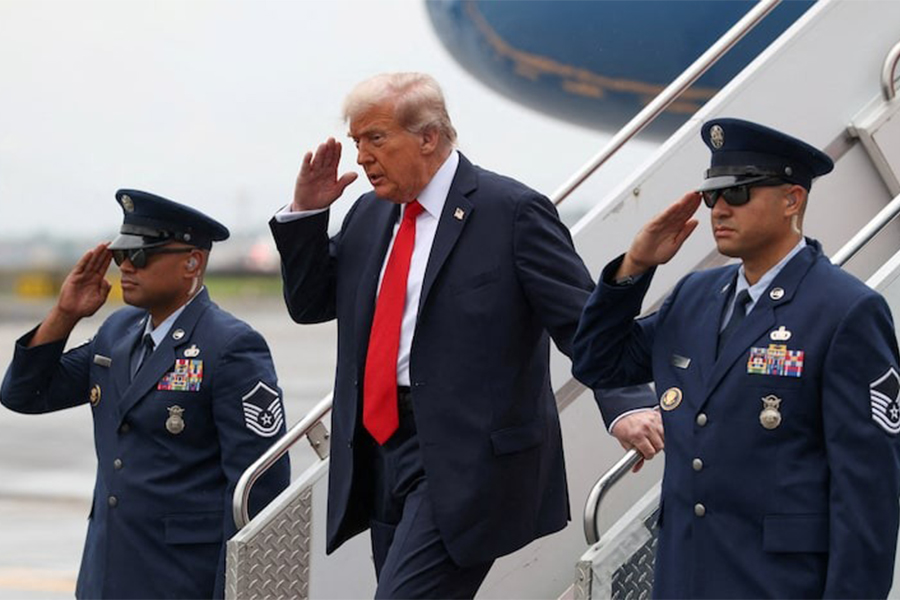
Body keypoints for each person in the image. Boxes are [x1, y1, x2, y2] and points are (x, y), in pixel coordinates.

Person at [269, 72, 661, 598]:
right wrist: (308, 214)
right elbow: (311, 303)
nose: (361, 157)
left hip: (466, 457)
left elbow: (581, 320)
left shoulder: (512, 212)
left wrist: (626, 403)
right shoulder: (368, 214)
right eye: (357, 141)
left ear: (428, 137)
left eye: (376, 138)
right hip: (380, 450)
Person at [572, 117, 900, 598]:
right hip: (685, 577)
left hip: (777, 585)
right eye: (712, 195)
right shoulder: (695, 296)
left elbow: (867, 495)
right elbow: (598, 363)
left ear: (792, 199)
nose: (720, 209)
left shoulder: (845, 311)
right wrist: (633, 268)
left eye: (739, 192)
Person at [1, 190, 290, 599]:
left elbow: (259, 487)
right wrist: (64, 314)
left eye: (141, 256)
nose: (126, 268)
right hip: (107, 572)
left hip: (181, 579)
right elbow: (23, 395)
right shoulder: (117, 333)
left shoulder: (229, 346)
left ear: (192, 261)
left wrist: (237, 589)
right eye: (121, 256)